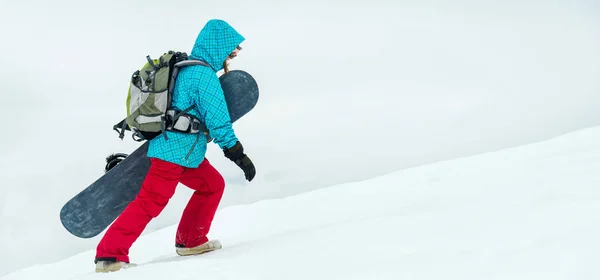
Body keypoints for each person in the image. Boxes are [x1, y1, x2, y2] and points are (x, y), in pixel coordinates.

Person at [94, 19, 256, 273]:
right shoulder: (202, 75)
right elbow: (218, 120)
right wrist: (237, 153)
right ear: (218, 47)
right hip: (173, 154)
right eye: (229, 51)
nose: (230, 57)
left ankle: (191, 241)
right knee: (150, 203)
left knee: (212, 184)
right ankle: (110, 254)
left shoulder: (185, 68)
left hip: (184, 153)